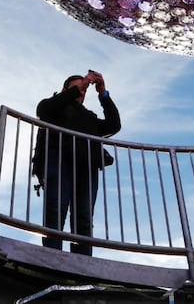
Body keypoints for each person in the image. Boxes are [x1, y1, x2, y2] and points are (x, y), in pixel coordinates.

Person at [33, 70, 121, 255]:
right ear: (64, 90)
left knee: (84, 217)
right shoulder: (53, 107)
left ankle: (82, 262)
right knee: (56, 209)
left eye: (83, 89)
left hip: (87, 167)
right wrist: (78, 86)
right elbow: (43, 111)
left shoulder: (89, 117)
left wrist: (103, 94)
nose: (81, 91)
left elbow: (114, 125)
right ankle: (52, 256)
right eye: (76, 88)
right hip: (59, 161)